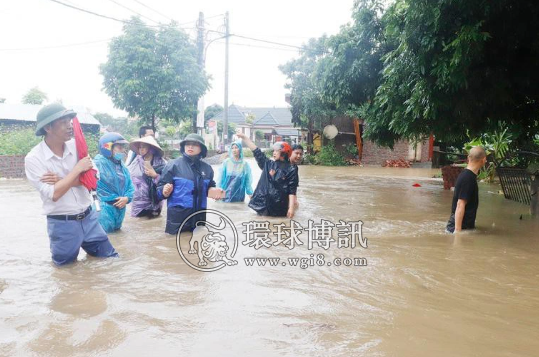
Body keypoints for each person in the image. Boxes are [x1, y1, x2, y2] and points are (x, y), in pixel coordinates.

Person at [24, 103, 118, 266]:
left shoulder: (77, 145)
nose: (70, 126)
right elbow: (54, 194)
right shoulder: (34, 159)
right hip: (62, 224)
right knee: (65, 271)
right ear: (48, 127)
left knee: (112, 261)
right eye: (64, 122)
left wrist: (61, 180)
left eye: (70, 121)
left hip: (89, 218)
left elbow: (94, 177)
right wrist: (77, 170)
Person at [157, 133, 225, 235]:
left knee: (198, 246)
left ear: (201, 148)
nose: (190, 146)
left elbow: (210, 187)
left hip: (199, 218)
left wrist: (215, 192)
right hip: (177, 219)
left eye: (195, 144)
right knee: (173, 247)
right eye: (187, 144)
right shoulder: (173, 165)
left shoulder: (207, 168)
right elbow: (158, 190)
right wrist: (163, 191)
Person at [236, 132, 298, 218]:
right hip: (264, 204)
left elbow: (292, 191)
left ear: (284, 153)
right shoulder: (268, 164)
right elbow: (257, 152)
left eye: (277, 151)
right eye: (274, 151)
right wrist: (244, 138)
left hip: (279, 207)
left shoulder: (291, 169)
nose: (274, 153)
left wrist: (291, 208)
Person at [94, 132, 135, 233]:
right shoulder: (97, 163)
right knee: (104, 239)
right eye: (119, 147)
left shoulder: (122, 166)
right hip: (104, 208)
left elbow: (130, 186)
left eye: (123, 147)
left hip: (120, 208)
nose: (123, 150)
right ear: (107, 147)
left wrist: (127, 198)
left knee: (117, 238)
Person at [446, 146, 487, 233]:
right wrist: (457, 233)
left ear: (468, 158)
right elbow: (460, 204)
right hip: (459, 227)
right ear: (483, 160)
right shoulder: (468, 178)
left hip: (462, 226)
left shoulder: (467, 175)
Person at [127, 135, 167, 218]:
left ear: (151, 148)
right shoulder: (137, 161)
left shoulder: (161, 163)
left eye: (144, 147)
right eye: (139, 147)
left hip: (155, 201)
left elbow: (166, 182)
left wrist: (155, 176)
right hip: (139, 201)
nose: (141, 149)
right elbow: (129, 176)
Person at [289, 144, 304, 209]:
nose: (299, 156)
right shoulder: (284, 165)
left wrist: (295, 200)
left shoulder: (295, 167)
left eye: (301, 154)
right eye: (296, 153)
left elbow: (294, 185)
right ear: (290, 153)